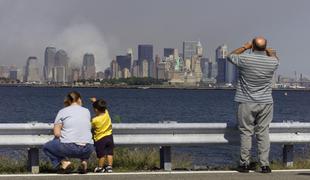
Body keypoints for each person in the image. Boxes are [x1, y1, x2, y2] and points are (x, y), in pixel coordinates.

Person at [227, 37, 279, 173]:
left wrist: (245, 47)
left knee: (246, 132)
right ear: (265, 47)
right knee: (263, 133)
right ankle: (264, 165)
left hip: (246, 101)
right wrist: (266, 49)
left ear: (253, 47)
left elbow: (230, 56)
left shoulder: (245, 59)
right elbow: (274, 56)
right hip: (266, 102)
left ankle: (244, 164)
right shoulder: (272, 62)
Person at [43, 91, 94, 174]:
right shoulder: (87, 111)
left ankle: (64, 162)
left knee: (46, 147)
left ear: (68, 100)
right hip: (88, 148)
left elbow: (56, 133)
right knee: (84, 138)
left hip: (70, 148)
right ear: (79, 99)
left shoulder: (63, 111)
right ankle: (84, 162)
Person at [90, 97, 114, 173]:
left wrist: (94, 102)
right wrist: (95, 101)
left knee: (101, 155)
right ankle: (109, 167)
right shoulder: (106, 114)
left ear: (96, 110)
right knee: (110, 153)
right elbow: (103, 108)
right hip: (109, 137)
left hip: (100, 139)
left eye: (94, 109)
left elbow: (91, 127)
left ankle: (100, 167)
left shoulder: (95, 120)